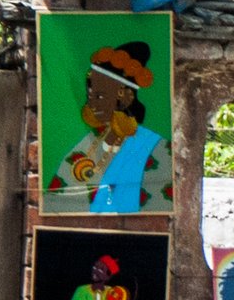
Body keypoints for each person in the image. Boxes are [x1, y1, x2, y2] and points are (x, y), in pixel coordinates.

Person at [47, 41, 171, 214]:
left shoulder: (157, 148)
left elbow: (160, 207)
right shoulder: (90, 142)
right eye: (90, 96)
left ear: (125, 97)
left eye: (99, 96)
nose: (92, 104)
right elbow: (56, 200)